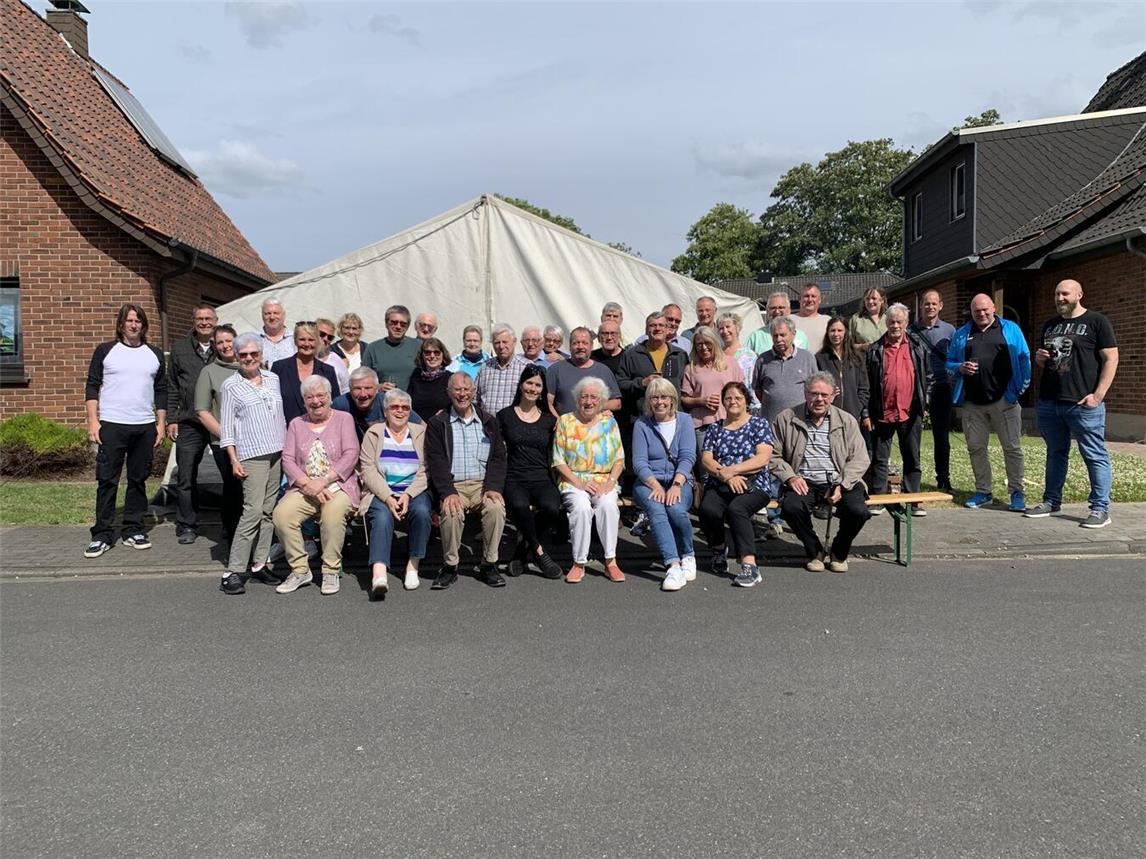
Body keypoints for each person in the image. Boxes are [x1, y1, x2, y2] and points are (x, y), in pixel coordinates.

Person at [1026, 278, 1119, 528]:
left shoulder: (1096, 322)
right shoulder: (1050, 325)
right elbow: (1049, 362)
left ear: (1079, 295)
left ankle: (1100, 509)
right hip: (1050, 401)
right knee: (1056, 453)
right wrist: (1040, 359)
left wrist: (1098, 395)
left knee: (1094, 454)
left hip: (1082, 402)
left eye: (1065, 294)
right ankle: (1051, 501)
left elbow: (1111, 358)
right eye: (1057, 294)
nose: (1060, 298)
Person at [83, 304, 168, 558]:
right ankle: (102, 533)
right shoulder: (106, 351)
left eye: (138, 321)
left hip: (143, 426)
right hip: (111, 424)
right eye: (129, 320)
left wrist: (160, 423)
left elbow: (161, 390)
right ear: (121, 324)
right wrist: (93, 422)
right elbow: (92, 386)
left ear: (143, 325)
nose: (134, 325)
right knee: (107, 480)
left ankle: (133, 529)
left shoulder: (153, 354)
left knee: (138, 480)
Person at [771, 372, 871, 573]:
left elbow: (861, 458)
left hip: (841, 480)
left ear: (833, 395)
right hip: (803, 480)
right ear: (805, 394)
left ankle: (839, 551)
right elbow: (772, 455)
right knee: (790, 507)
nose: (819, 399)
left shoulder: (846, 420)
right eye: (814, 394)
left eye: (824, 395)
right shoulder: (787, 418)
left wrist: (843, 484)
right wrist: (790, 476)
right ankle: (814, 550)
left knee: (859, 511)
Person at [272, 375, 360, 596]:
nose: (316, 401)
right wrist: (307, 483)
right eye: (310, 397)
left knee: (332, 514)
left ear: (330, 397)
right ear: (304, 400)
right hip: (305, 486)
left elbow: (351, 454)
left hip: (338, 484)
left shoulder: (344, 419)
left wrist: (324, 481)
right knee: (282, 515)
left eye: (321, 395)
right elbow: (288, 459)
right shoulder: (296, 424)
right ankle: (300, 570)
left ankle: (330, 569)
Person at [946, 293, 1030, 511]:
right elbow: (950, 361)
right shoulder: (962, 333)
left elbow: (1024, 358)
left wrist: (1017, 391)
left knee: (1012, 448)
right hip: (972, 402)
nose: (981, 314)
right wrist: (959, 368)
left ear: (993, 308)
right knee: (976, 448)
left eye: (985, 310)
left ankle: (1017, 493)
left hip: (1005, 400)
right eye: (976, 311)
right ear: (971, 313)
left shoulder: (1010, 329)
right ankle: (983, 492)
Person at [425, 372, 508, 589]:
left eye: (466, 389)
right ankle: (450, 566)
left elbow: (499, 456)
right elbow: (436, 460)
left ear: (474, 392)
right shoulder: (438, 423)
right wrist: (447, 491)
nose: (462, 394)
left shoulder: (489, 421)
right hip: (455, 486)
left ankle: (489, 564)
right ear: (448, 392)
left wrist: (493, 487)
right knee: (451, 511)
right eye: (457, 389)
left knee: (496, 508)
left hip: (482, 484)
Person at [217, 333, 285, 594]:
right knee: (252, 511)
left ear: (261, 355)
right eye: (243, 354)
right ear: (236, 356)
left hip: (276, 453)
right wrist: (233, 458)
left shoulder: (273, 379)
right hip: (251, 455)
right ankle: (233, 570)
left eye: (253, 354)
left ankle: (259, 563)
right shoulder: (231, 386)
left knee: (269, 512)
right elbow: (228, 428)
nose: (248, 358)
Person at [698, 381, 775, 588]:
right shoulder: (715, 427)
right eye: (728, 398)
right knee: (708, 509)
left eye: (738, 398)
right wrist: (727, 476)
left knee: (737, 509)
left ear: (746, 401)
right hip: (722, 481)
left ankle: (750, 565)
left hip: (753, 483)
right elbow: (706, 459)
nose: (733, 402)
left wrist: (734, 470)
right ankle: (718, 548)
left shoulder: (759, 424)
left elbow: (763, 458)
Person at [552, 377, 626, 584]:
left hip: (604, 478)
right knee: (582, 508)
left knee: (608, 505)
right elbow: (558, 460)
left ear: (601, 401)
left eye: (594, 397)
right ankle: (579, 562)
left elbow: (619, 458)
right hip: (573, 478)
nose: (589, 401)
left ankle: (611, 561)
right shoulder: (565, 421)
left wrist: (610, 482)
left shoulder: (609, 422)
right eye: (584, 396)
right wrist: (580, 483)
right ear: (577, 399)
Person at [360, 388, 432, 595]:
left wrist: (408, 494)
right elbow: (368, 469)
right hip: (382, 491)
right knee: (381, 516)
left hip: (414, 490)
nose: (400, 411)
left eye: (405, 408)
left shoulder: (420, 433)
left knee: (422, 512)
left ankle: (413, 565)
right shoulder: (374, 434)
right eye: (394, 407)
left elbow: (426, 468)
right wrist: (388, 497)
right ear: (385, 411)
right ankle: (379, 572)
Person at [497, 366, 564, 579]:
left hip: (542, 476)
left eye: (537, 385)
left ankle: (521, 552)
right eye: (529, 383)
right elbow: (496, 451)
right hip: (514, 477)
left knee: (552, 508)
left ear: (542, 390)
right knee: (518, 506)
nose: (532, 388)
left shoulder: (550, 421)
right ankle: (541, 554)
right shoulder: (504, 416)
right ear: (521, 384)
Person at [864, 303, 930, 514]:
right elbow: (866, 384)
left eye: (899, 322)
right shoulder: (875, 349)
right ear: (886, 323)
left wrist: (924, 402)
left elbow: (929, 378)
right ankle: (880, 499)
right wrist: (866, 412)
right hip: (882, 411)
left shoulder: (918, 346)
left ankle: (912, 500)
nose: (895, 325)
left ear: (906, 323)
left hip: (910, 412)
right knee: (880, 458)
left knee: (912, 456)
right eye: (891, 322)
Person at [632, 378, 697, 592]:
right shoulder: (642, 424)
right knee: (657, 509)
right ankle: (673, 565)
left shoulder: (685, 421)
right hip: (648, 482)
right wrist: (656, 486)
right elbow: (639, 462)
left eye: (664, 397)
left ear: (672, 399)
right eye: (654, 397)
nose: (659, 401)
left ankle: (688, 554)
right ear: (649, 401)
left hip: (679, 479)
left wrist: (677, 484)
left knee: (676, 509)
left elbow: (688, 456)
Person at [166, 304, 217, 545]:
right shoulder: (179, 348)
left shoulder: (226, 345)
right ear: (193, 321)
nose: (204, 322)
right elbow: (173, 386)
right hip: (189, 421)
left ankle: (232, 523)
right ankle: (187, 524)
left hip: (219, 421)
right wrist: (172, 419)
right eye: (200, 318)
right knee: (185, 475)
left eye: (208, 318)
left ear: (215, 321)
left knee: (230, 473)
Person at [194, 324, 243, 545]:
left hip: (254, 441)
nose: (225, 345)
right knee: (233, 488)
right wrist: (226, 436)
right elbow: (202, 411)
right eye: (220, 342)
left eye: (228, 340)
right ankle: (233, 536)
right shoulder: (209, 372)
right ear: (214, 345)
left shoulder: (249, 366)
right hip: (224, 442)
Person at [909, 290, 956, 492]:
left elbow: (954, 357)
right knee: (913, 436)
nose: (930, 307)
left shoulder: (950, 330)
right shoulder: (910, 331)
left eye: (934, 303)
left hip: (941, 386)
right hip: (916, 386)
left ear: (941, 306)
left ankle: (943, 478)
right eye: (927, 303)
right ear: (921, 306)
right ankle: (912, 479)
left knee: (941, 436)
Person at [682, 326, 743, 469]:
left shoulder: (730, 362)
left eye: (707, 343)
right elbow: (684, 398)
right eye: (699, 344)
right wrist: (700, 401)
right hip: (703, 426)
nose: (704, 347)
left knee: (732, 465)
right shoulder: (691, 368)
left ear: (715, 342)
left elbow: (742, 392)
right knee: (707, 470)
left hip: (730, 423)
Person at [617, 311, 688, 417]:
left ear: (667, 329)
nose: (657, 328)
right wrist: (641, 383)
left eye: (661, 325)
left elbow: (687, 387)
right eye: (653, 325)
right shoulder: (631, 355)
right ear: (646, 329)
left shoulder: (679, 355)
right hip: (643, 418)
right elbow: (620, 384)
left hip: (673, 417)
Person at [752, 315, 818, 423]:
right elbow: (758, 389)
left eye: (782, 335)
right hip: (771, 422)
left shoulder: (807, 357)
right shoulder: (763, 360)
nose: (778, 340)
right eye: (775, 336)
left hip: (800, 421)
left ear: (793, 334)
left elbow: (814, 387)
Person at [271, 323, 339, 425]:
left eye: (311, 340)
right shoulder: (279, 368)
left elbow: (335, 405)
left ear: (317, 342)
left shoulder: (328, 371)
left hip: (319, 430)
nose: (307, 344)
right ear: (295, 341)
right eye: (302, 339)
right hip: (287, 431)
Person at [546, 326, 621, 416]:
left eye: (585, 343)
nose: (580, 347)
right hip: (565, 428)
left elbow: (617, 403)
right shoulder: (555, 370)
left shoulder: (603, 371)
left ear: (591, 346)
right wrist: (559, 422)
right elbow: (548, 403)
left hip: (595, 427)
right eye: (576, 343)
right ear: (570, 346)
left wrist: (597, 406)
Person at [816, 316, 870, 424]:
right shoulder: (820, 358)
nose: (836, 334)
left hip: (852, 417)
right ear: (827, 333)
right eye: (832, 330)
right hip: (828, 416)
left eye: (839, 330)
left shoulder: (856, 358)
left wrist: (857, 407)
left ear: (846, 333)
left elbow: (864, 388)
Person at [476, 324, 531, 416]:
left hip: (515, 426)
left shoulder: (526, 367)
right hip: (488, 426)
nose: (501, 346)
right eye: (497, 342)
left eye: (505, 342)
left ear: (514, 342)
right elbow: (475, 397)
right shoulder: (485, 367)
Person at [362, 304, 419, 392]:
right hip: (383, 401)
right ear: (386, 324)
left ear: (408, 327)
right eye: (394, 322)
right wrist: (378, 387)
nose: (398, 327)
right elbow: (362, 379)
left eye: (403, 324)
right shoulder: (373, 348)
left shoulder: (418, 346)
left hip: (411, 402)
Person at [745, 292, 810, 354]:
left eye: (781, 307)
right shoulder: (755, 337)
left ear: (789, 310)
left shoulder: (801, 337)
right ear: (767, 311)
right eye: (773, 308)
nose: (777, 311)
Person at [333, 366, 385, 441]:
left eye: (368, 388)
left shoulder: (387, 403)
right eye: (357, 388)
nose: (363, 394)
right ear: (350, 389)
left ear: (377, 389)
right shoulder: (340, 405)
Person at [716, 311, 757, 406]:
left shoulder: (749, 356)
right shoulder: (717, 355)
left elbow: (753, 385)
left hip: (743, 405)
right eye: (721, 328)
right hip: (721, 405)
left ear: (737, 328)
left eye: (728, 327)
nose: (725, 331)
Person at [408, 337, 452, 421]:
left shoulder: (450, 378)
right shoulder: (415, 376)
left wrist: (446, 412)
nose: (432, 356)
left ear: (443, 355)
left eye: (436, 352)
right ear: (422, 356)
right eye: (427, 353)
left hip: (441, 427)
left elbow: (457, 404)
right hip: (418, 427)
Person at [315, 318, 351, 396]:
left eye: (330, 337)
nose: (325, 339)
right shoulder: (302, 357)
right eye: (322, 334)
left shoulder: (336, 361)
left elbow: (346, 389)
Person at [791, 283, 832, 350]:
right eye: (806, 296)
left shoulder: (827, 321)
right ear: (799, 299)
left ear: (819, 300)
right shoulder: (789, 320)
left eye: (813, 296)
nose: (810, 300)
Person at [849, 286, 888, 354]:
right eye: (867, 299)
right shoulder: (856, 319)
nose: (870, 301)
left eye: (874, 298)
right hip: (863, 362)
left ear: (882, 300)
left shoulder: (889, 318)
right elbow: (847, 345)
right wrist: (862, 346)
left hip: (886, 361)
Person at [258, 297, 296, 365]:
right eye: (268, 313)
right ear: (262, 316)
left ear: (283, 315)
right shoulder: (253, 339)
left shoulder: (295, 339)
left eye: (276, 313)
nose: (272, 317)